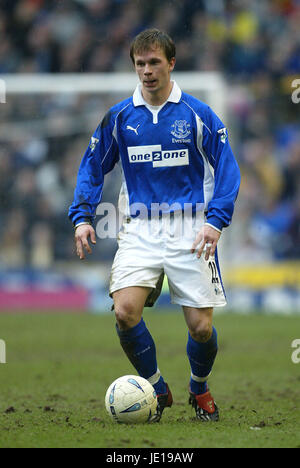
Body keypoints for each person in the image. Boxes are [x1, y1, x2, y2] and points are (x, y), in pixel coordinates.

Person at [69, 29, 240, 422]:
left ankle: (198, 386)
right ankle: (157, 387)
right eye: (140, 64)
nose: (146, 71)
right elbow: (93, 168)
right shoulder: (120, 117)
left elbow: (229, 170)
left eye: (154, 63)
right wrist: (82, 216)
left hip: (192, 227)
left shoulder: (198, 114)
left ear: (171, 64)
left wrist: (215, 221)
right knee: (124, 312)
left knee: (200, 328)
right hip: (141, 228)